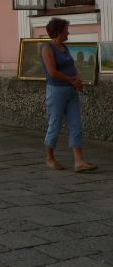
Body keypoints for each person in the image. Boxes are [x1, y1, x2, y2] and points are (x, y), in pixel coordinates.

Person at [40, 17, 96, 172]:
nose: (68, 33)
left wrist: (77, 79)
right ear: (58, 31)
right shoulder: (47, 48)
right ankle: (50, 158)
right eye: (66, 30)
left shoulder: (64, 48)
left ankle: (79, 160)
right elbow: (53, 72)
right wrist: (72, 81)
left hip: (71, 90)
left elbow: (72, 66)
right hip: (57, 90)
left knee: (76, 123)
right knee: (55, 124)